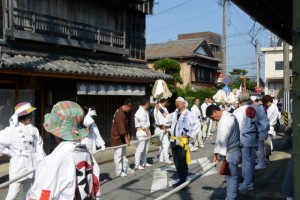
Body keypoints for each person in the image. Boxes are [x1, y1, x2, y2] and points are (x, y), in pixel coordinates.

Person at [27, 101, 100, 200]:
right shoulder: (87, 155)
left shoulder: (52, 161)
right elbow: (95, 188)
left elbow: (41, 196)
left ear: (55, 132)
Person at [0, 102, 45, 200]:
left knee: (29, 193)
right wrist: (11, 153)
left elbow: (39, 146)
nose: (32, 115)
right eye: (30, 114)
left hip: (33, 165)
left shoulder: (34, 129)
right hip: (19, 165)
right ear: (24, 116)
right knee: (13, 194)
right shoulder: (11, 131)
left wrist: (42, 162)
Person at [206, 105, 241, 200]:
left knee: (231, 179)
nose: (213, 120)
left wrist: (217, 155)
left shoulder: (224, 121)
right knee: (232, 177)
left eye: (212, 117)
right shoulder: (229, 116)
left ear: (214, 112)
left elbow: (222, 139)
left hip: (231, 153)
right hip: (234, 150)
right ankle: (231, 196)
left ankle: (230, 198)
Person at [165, 97, 200, 187]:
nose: (177, 104)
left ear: (184, 103)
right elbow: (167, 120)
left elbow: (197, 124)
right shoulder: (174, 114)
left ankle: (183, 181)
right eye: (176, 102)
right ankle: (182, 178)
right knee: (176, 161)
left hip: (182, 141)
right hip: (173, 140)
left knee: (182, 161)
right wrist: (160, 109)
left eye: (179, 102)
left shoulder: (189, 114)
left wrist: (189, 134)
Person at [234, 91, 259, 193]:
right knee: (251, 160)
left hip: (244, 138)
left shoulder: (239, 110)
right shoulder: (255, 108)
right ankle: (249, 181)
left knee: (246, 162)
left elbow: (237, 126)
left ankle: (248, 184)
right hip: (254, 136)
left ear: (240, 100)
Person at [110, 99, 135, 177]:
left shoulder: (122, 112)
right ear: (127, 106)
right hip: (117, 138)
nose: (130, 110)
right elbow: (122, 129)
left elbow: (125, 127)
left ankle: (126, 168)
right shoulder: (120, 114)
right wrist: (127, 139)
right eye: (130, 108)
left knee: (124, 154)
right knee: (118, 155)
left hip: (121, 138)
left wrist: (127, 137)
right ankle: (119, 171)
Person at [250, 96, 270, 170]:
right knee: (260, 147)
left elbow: (255, 120)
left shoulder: (258, 108)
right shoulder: (261, 108)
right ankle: (262, 161)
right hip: (263, 129)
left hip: (261, 130)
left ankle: (261, 163)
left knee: (259, 148)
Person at [134, 97, 152, 170]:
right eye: (148, 103)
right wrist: (149, 134)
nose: (149, 104)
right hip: (141, 131)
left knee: (145, 149)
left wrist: (148, 133)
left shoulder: (145, 111)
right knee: (140, 149)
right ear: (146, 103)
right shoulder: (140, 112)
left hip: (146, 131)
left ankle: (144, 162)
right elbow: (143, 125)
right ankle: (137, 164)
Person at [153, 98, 173, 164]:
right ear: (164, 102)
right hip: (161, 128)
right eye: (166, 102)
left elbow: (167, 116)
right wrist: (163, 127)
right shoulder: (157, 108)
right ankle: (166, 159)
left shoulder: (163, 108)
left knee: (163, 144)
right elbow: (159, 120)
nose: (167, 103)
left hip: (165, 128)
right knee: (166, 143)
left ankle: (161, 158)